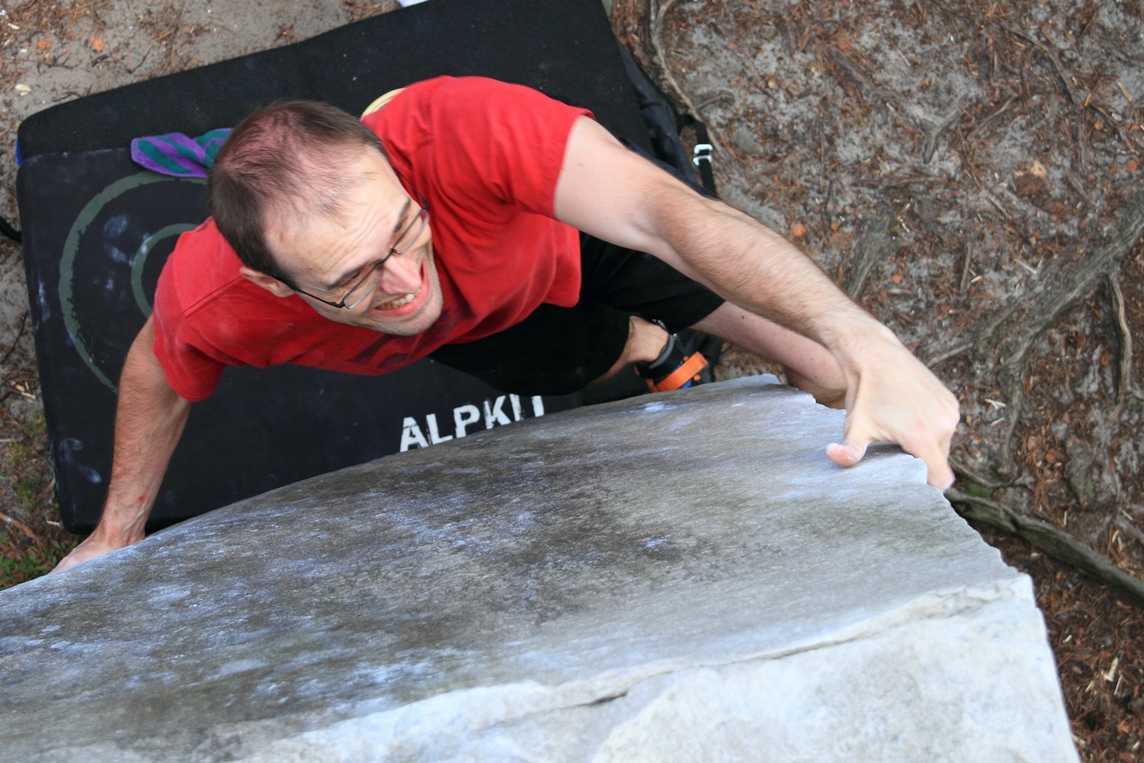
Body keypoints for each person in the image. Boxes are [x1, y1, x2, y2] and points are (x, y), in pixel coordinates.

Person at [53, 76, 959, 573]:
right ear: (275, 285)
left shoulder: (460, 130)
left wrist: (864, 339)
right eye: (355, 277)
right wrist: (115, 534)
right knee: (583, 354)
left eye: (406, 227)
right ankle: (650, 346)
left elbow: (665, 215)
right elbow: (157, 372)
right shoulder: (216, 296)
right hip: (487, 327)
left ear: (392, 163)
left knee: (824, 369)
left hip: (572, 242)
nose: (408, 282)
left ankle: (706, 338)